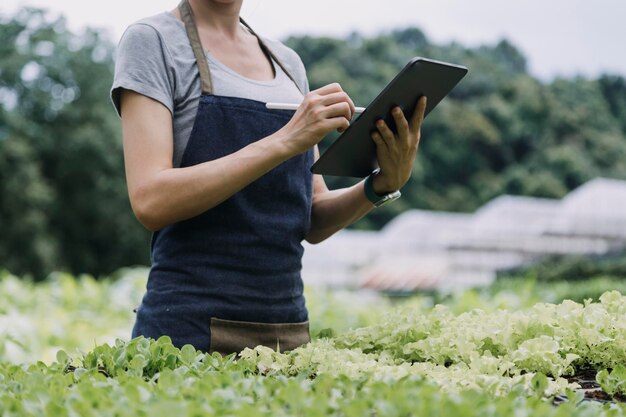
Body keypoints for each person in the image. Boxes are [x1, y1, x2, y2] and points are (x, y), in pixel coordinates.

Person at [111, 0, 427, 354]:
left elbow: (314, 216)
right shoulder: (152, 41)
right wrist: (285, 140)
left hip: (287, 336)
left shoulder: (287, 63)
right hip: (186, 333)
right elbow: (151, 199)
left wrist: (381, 184)